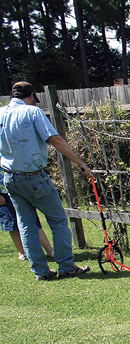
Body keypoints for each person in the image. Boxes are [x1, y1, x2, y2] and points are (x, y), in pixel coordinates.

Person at [0, 81, 92, 280]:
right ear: (32, 95)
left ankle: (41, 271)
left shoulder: (0, 114)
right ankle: (66, 266)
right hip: (33, 177)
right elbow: (55, 140)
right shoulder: (32, 113)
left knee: (26, 224)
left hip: (10, 177)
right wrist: (81, 163)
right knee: (58, 220)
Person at [1, 191, 54, 260]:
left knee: (32, 219)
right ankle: (22, 253)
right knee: (12, 224)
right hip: (5, 195)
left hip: (20, 190)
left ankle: (50, 250)